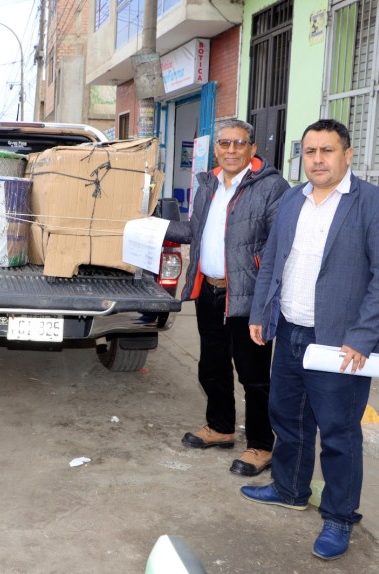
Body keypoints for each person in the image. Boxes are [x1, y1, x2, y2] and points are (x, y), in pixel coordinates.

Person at [243, 119, 379, 560]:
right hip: (290, 330)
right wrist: (261, 313)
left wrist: (362, 337)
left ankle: (339, 516)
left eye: (327, 151)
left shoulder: (376, 204)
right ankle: (290, 488)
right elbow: (273, 259)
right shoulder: (292, 199)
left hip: (340, 344)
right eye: (310, 151)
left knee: (338, 432)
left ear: (347, 155)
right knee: (288, 418)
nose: (317, 159)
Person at [166, 119, 289, 476]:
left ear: (252, 148)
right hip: (209, 290)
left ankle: (261, 445)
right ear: (216, 149)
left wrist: (265, 296)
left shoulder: (272, 187)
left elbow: (278, 245)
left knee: (254, 376)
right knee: (212, 366)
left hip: (247, 295)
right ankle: (220, 427)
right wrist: (154, 227)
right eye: (225, 143)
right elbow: (195, 231)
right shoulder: (208, 184)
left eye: (239, 143)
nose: (231, 150)